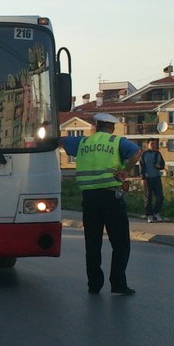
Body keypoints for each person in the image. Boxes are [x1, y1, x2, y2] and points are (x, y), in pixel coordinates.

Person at [59, 113, 142, 295]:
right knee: (120, 243)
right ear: (112, 127)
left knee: (93, 243)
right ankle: (118, 283)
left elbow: (61, 140)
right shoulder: (116, 141)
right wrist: (126, 170)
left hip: (89, 199)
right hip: (111, 197)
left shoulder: (83, 142)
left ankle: (94, 285)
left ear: (96, 125)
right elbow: (136, 152)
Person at [140, 139, 166, 223]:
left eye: (154, 144)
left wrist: (158, 166)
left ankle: (156, 212)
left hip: (157, 178)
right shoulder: (144, 154)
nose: (153, 145)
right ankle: (149, 215)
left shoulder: (158, 154)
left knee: (160, 197)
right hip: (148, 178)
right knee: (148, 197)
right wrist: (143, 178)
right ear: (148, 145)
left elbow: (162, 165)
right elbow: (142, 166)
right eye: (152, 144)